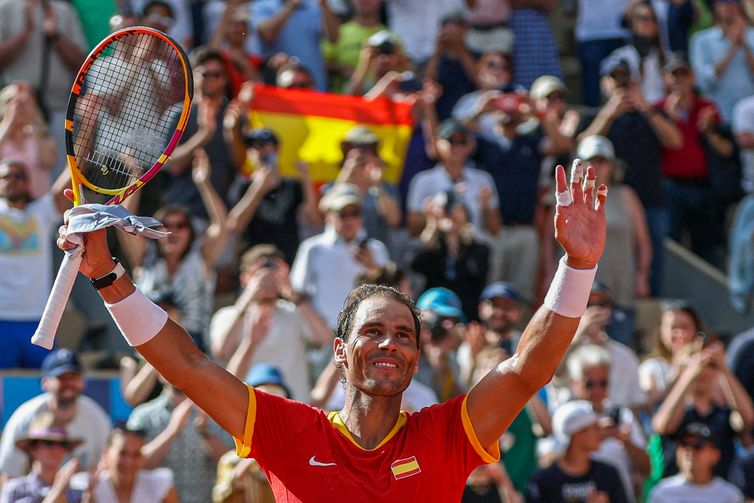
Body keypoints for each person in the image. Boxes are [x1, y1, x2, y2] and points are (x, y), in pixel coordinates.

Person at [58, 160, 608, 500]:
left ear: (416, 359)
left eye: (405, 335)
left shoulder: (447, 437)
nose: (391, 342)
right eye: (375, 332)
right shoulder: (287, 431)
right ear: (340, 351)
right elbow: (186, 365)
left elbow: (526, 368)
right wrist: (107, 275)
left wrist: (578, 266)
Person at [209, 244, 332, 401]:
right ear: (244, 279)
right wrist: (247, 299)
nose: (267, 279)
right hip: (247, 409)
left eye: (273, 273)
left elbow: (325, 339)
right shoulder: (228, 315)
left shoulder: (295, 312)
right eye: (259, 274)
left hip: (294, 407)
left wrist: (294, 295)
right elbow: (221, 350)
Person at [656, 55, 733, 266]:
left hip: (703, 187)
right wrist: (668, 119)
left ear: (693, 78)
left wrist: (708, 131)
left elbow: (725, 150)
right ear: (665, 79)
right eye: (674, 75)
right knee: (672, 244)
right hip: (670, 188)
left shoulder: (707, 108)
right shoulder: (657, 109)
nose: (679, 80)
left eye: (684, 74)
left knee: (705, 246)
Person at [0, 0, 87, 176]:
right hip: (15, 110)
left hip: (57, 107)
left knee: (56, 172)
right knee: (11, 177)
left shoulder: (64, 11)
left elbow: (80, 61)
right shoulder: (5, 7)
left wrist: (56, 35)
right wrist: (26, 32)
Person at [289, 182, 390, 329]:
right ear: (328, 216)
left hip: (363, 334)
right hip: (322, 338)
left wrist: (373, 268)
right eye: (342, 214)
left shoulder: (377, 249)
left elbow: (391, 294)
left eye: (354, 213)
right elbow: (297, 292)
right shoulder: (312, 248)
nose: (349, 220)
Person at [0, 349, 111, 480]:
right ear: (45, 382)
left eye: (74, 377)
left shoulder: (97, 416)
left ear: (83, 382)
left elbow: (106, 469)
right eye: (62, 378)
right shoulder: (24, 417)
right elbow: (8, 474)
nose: (69, 383)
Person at [0, 158, 68, 368]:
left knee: (46, 384)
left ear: (28, 182)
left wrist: (87, 130)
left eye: (18, 176)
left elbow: (70, 176)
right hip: (2, 317)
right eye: (5, 176)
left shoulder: (42, 212)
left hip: (40, 319)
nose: (12, 181)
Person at [567, 344, 650, 500]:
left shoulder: (622, 415)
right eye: (590, 384)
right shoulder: (566, 417)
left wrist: (626, 441)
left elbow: (646, 468)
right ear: (575, 383)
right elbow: (554, 460)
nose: (597, 390)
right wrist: (600, 435)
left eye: (603, 383)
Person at [127, 382, 233, 503]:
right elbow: (133, 465)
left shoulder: (215, 412)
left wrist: (205, 433)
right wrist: (172, 432)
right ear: (159, 375)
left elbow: (232, 465)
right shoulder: (143, 415)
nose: (178, 372)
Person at [406, 119, 501, 238]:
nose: (457, 147)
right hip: (437, 251)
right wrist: (430, 216)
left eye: (462, 141)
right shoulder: (423, 180)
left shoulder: (483, 179)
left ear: (471, 144)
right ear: (437, 143)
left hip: (475, 251)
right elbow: (413, 229)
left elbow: (495, 230)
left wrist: (486, 207)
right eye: (451, 141)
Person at [526, 400, 629, 503]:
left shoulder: (608, 474)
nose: (600, 432)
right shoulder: (543, 481)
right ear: (577, 434)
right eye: (594, 428)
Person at [75, 426, 179, 503]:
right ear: (107, 454)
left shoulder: (158, 485)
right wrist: (89, 496)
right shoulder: (86, 485)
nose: (129, 462)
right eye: (122, 453)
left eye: (136, 454)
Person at [252, 0, 340, 91]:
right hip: (280, 89)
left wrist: (324, 5)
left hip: (314, 86)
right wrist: (292, 5)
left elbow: (334, 38)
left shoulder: (314, 6)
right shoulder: (261, 6)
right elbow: (268, 34)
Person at [690, 0, 754, 122]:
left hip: (750, 119)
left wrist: (744, 45)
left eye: (733, 2)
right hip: (718, 114)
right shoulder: (701, 40)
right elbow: (703, 82)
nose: (728, 6)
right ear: (715, 6)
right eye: (723, 2)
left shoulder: (752, 36)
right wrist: (732, 50)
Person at [649, 422, 744, 502]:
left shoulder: (730, 496)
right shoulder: (662, 492)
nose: (689, 450)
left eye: (698, 445)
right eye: (684, 444)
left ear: (715, 455)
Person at [0, 412, 83, 503]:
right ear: (32, 449)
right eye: (48, 443)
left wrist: (90, 495)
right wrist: (57, 492)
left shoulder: (77, 494)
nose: (56, 449)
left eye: (62, 444)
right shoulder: (14, 490)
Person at [0, 81, 55, 199]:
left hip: (37, 207)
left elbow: (48, 161)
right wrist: (9, 121)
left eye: (25, 102)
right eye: (12, 101)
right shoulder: (2, 134)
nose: (19, 107)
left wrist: (34, 121)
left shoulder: (42, 136)